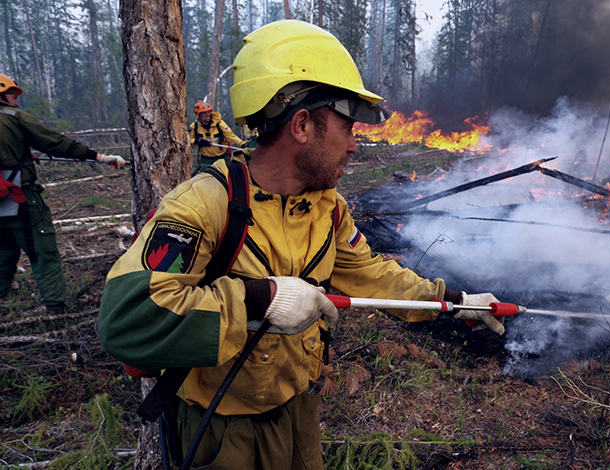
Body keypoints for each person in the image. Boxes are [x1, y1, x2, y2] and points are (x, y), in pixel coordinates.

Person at [97, 20, 505, 470]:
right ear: (303, 124)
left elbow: (372, 275)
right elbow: (127, 318)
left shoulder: (328, 209)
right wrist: (262, 299)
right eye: (348, 126)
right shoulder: (202, 206)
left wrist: (455, 301)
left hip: (299, 414)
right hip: (220, 432)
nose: (355, 145)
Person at [0, 73, 127, 315]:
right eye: (12, 94)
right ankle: (56, 309)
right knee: (42, 251)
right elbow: (55, 142)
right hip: (20, 199)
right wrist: (100, 157)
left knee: (3, 253)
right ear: (2, 95)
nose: (16, 99)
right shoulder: (14, 118)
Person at [189, 100, 248, 170]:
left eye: (208, 112)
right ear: (198, 114)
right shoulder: (195, 127)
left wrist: (242, 144)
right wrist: (197, 141)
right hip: (206, 159)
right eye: (204, 113)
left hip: (221, 158)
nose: (208, 114)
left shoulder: (219, 124)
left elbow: (230, 136)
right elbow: (188, 142)